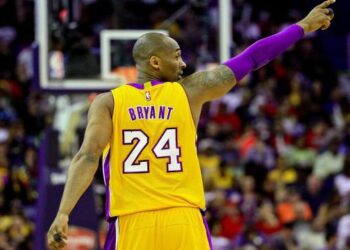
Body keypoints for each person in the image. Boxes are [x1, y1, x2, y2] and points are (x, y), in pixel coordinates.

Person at [47, 1, 335, 249]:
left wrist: (63, 212)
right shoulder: (190, 91)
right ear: (156, 62)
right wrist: (302, 27)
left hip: (134, 222)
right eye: (176, 56)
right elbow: (252, 58)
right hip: (184, 219)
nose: (183, 63)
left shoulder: (108, 102)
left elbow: (87, 156)